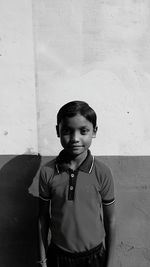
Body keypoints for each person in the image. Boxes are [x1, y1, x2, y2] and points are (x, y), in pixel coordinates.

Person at [37, 100, 116, 267]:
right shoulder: (48, 172)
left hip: (94, 256)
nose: (75, 138)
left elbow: (111, 221)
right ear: (57, 131)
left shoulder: (102, 172)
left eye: (83, 131)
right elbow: (43, 218)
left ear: (94, 132)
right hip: (58, 256)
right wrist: (43, 260)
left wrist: (109, 262)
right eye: (67, 131)